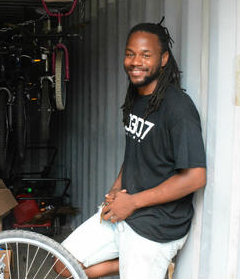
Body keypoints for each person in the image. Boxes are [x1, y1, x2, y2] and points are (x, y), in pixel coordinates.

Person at [54, 21, 207, 278]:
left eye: (146, 55)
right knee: (63, 263)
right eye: (130, 53)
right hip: (126, 210)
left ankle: (151, 262)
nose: (136, 61)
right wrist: (116, 188)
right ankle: (131, 264)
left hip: (156, 225)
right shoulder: (137, 97)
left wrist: (133, 202)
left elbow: (196, 177)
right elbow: (137, 149)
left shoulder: (178, 108)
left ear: (163, 59)